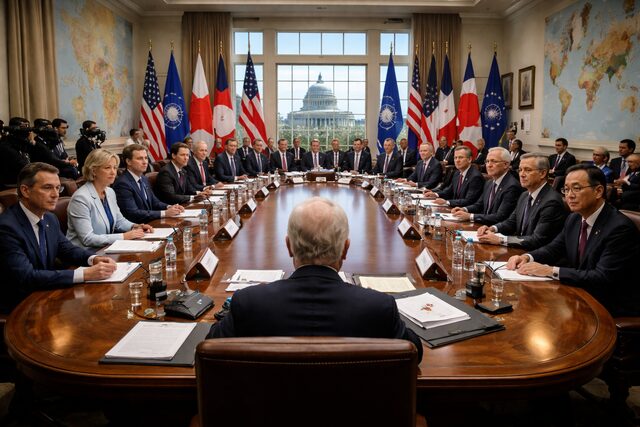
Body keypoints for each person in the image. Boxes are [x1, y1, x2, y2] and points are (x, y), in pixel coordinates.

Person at [207, 197, 423, 362]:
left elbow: (209, 348)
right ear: (345, 249)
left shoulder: (249, 303)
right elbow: (414, 351)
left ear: (289, 246)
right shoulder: (379, 307)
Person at [506, 165, 640, 317]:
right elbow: (554, 248)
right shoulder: (574, 218)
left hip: (608, 304)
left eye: (576, 188)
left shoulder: (619, 228)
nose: (569, 195)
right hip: (580, 293)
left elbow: (602, 277)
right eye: (566, 189)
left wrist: (550, 271)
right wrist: (527, 257)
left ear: (598, 191)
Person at [0, 163, 117, 313]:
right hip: (19, 306)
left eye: (58, 188)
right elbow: (26, 277)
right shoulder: (7, 227)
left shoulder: (49, 218)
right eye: (47, 188)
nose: (56, 194)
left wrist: (93, 259)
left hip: (46, 295)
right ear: (25, 191)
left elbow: (67, 249)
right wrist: (85, 273)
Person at [477, 153, 567, 249]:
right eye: (520, 170)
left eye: (527, 170)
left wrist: (501, 240)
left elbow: (537, 239)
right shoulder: (524, 195)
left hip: (536, 257)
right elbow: (511, 222)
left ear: (543, 173)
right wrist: (493, 228)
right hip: (519, 250)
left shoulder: (552, 201)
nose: (522, 174)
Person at [67, 149, 153, 249]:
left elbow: (119, 221)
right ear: (93, 170)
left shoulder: (110, 192)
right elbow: (87, 238)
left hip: (106, 248)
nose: (113, 172)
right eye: (107, 168)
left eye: (115, 168)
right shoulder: (81, 198)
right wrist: (124, 236)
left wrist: (135, 226)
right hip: (84, 254)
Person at [113, 144, 185, 223]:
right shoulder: (123, 183)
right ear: (128, 161)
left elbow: (155, 202)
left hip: (150, 223)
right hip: (136, 227)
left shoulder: (143, 178)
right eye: (140, 158)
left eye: (146, 158)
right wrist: (164, 213)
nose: (145, 162)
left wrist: (169, 207)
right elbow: (133, 213)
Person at [451, 147, 522, 225]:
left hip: (497, 231)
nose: (489, 165)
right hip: (483, 226)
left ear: (506, 164)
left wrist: (471, 216)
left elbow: (500, 216)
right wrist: (464, 209)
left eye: (493, 161)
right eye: (487, 161)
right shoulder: (489, 182)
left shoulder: (512, 186)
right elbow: (479, 205)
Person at [0, 117, 34, 187]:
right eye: (24, 128)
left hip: (24, 180)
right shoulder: (6, 146)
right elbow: (23, 165)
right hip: (11, 183)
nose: (28, 131)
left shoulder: (23, 144)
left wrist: (31, 143)